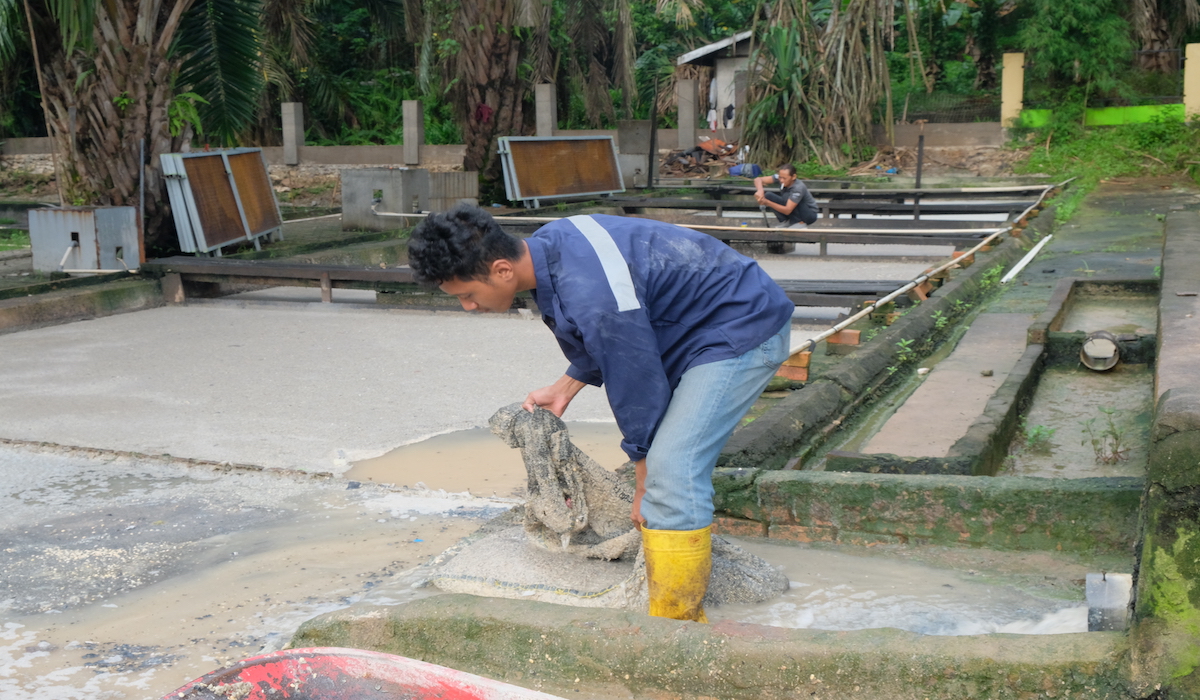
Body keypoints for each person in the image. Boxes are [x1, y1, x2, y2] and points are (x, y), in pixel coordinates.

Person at [407, 205, 794, 623]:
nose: (468, 306)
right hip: (692, 323)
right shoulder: (550, 245)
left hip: (740, 326)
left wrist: (644, 479)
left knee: (671, 471)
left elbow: (634, 376)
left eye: (466, 294)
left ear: (502, 270)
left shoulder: (592, 293)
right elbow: (609, 330)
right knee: (662, 471)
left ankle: (675, 626)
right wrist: (566, 385)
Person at [753, 163, 819, 228]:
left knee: (788, 196)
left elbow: (787, 210)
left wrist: (767, 202)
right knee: (768, 195)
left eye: (784, 178)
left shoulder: (798, 187)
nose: (781, 180)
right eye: (780, 177)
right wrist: (760, 190)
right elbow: (758, 179)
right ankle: (786, 221)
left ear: (793, 177)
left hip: (809, 214)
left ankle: (799, 222)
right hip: (791, 206)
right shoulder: (780, 177)